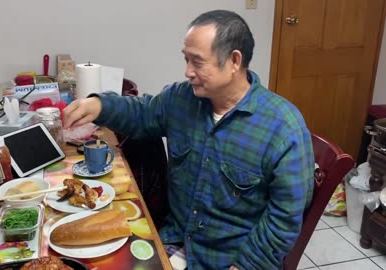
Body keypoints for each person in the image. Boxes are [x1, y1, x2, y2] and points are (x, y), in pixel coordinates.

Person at [63, 10, 314, 270]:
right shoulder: (182, 99)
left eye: (197, 62)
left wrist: (246, 265)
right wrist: (99, 105)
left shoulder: (283, 127)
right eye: (186, 60)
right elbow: (143, 112)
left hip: (230, 260)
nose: (188, 72)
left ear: (234, 61)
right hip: (174, 239)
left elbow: (285, 217)